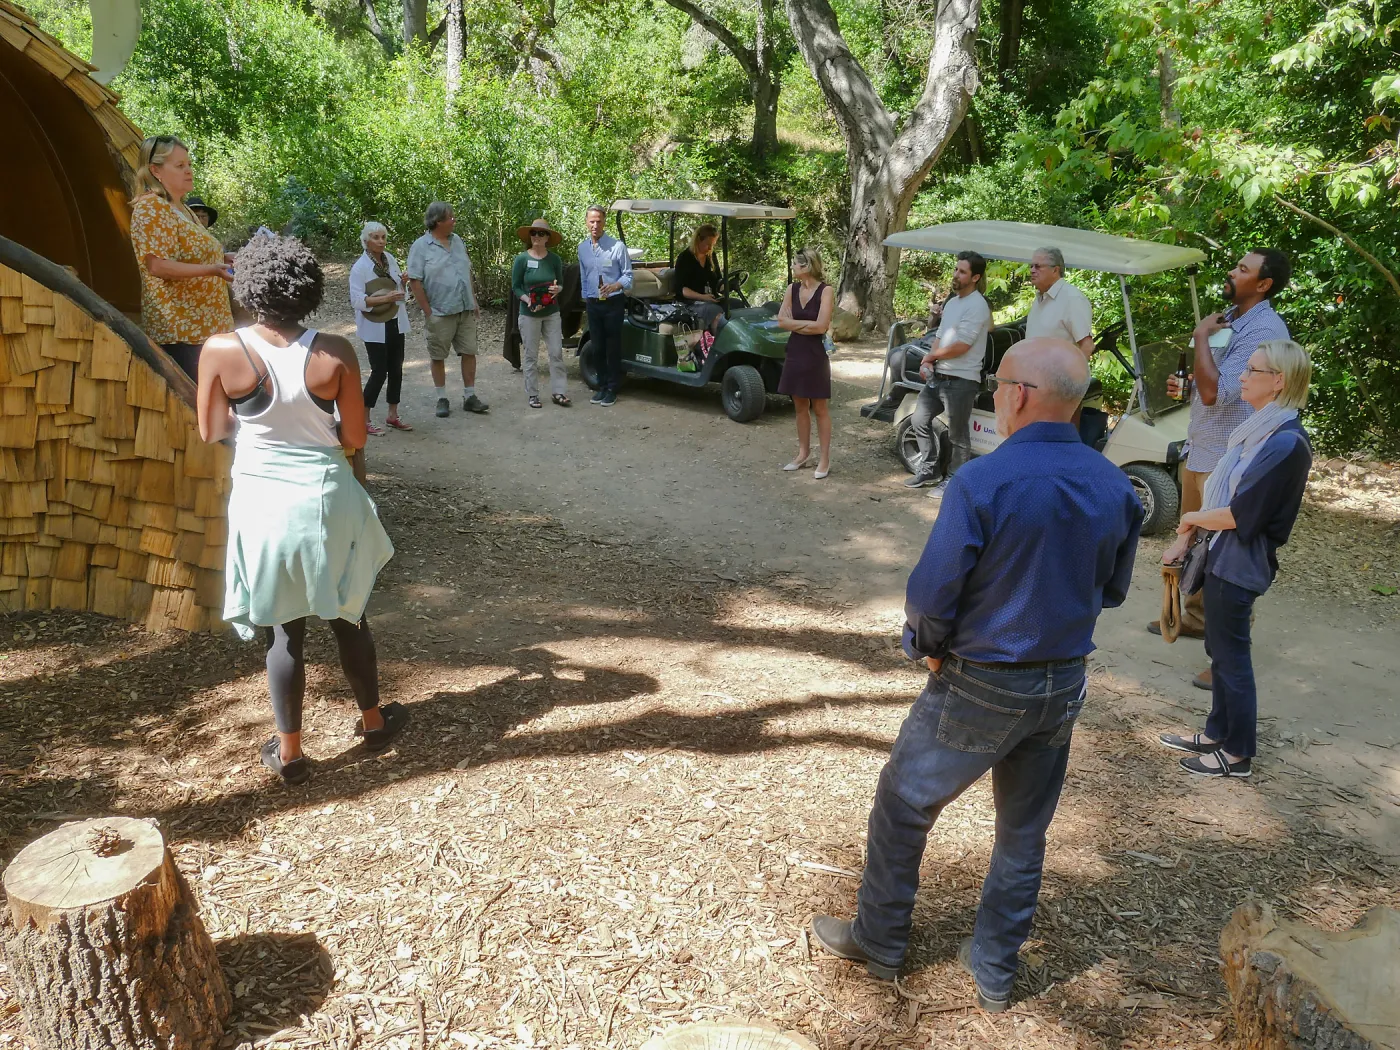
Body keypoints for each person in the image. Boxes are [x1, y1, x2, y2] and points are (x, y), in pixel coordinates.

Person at [810, 338, 1143, 1011]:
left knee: (905, 804)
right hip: (1063, 683)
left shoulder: (984, 481)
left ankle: (879, 941)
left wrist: (925, 645)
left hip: (982, 679)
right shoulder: (1116, 485)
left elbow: (932, 594)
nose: (993, 392)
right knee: (1023, 833)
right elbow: (1112, 590)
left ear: (1019, 394)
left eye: (998, 382)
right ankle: (994, 970)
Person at [196, 235, 406, 786]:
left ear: (249, 288)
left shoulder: (220, 351)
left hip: (263, 499)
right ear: (309, 289)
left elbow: (212, 430)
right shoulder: (334, 352)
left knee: (283, 633)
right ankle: (375, 720)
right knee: (348, 613)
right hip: (325, 497)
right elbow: (355, 437)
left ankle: (290, 754)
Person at [1157, 340, 1312, 778]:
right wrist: (1189, 536)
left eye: (1252, 370)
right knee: (1220, 650)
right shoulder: (1262, 431)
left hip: (1239, 562)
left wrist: (1188, 520)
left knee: (1231, 656)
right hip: (1225, 556)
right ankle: (1217, 732)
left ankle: (1239, 753)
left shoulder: (1285, 443)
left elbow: (1241, 514)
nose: (1241, 377)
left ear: (1278, 380)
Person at [1149, 250, 1292, 684]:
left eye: (1244, 269)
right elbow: (1211, 383)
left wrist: (1198, 339)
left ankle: (1226, 658)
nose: (1233, 272)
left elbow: (1218, 394)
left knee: (1227, 558)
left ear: (1264, 285)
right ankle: (1195, 619)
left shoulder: (1265, 331)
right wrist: (1186, 383)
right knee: (1198, 547)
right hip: (1204, 448)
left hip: (1233, 460)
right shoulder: (1231, 319)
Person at [128, 135, 235, 381]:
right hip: (182, 334)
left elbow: (192, 254)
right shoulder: (151, 208)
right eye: (179, 166)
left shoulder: (182, 208)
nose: (188, 171)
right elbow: (157, 265)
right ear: (155, 170)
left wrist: (223, 257)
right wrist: (211, 270)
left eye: (188, 164)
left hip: (208, 329)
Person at [902, 251, 991, 498]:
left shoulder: (977, 305)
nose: (955, 274)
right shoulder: (952, 303)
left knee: (957, 434)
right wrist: (927, 361)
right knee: (919, 419)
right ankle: (929, 469)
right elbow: (940, 337)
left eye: (962, 271)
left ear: (975, 277)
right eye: (955, 269)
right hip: (939, 376)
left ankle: (954, 480)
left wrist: (933, 357)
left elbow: (963, 345)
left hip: (962, 380)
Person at [406, 202, 489, 419]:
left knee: (470, 351)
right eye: (450, 217)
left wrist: (474, 301)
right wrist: (427, 311)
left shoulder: (458, 241)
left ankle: (469, 396)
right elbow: (415, 281)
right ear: (437, 222)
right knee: (438, 355)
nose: (454, 220)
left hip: (464, 308)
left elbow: (466, 272)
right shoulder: (421, 246)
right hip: (439, 311)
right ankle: (441, 398)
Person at [776, 247, 835, 479]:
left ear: (806, 266)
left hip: (815, 354)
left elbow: (821, 326)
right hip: (795, 351)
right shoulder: (792, 289)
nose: (792, 267)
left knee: (819, 407)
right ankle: (803, 453)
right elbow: (781, 321)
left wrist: (795, 323)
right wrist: (802, 325)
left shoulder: (826, 291)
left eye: (795, 264)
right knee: (799, 405)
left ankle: (824, 458)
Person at [350, 221, 412, 435]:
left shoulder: (390, 260)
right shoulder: (359, 268)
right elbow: (357, 301)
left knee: (396, 368)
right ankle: (364, 418)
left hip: (394, 319)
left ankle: (392, 415)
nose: (381, 241)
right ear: (366, 241)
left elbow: (398, 291)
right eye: (376, 237)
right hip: (374, 324)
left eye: (383, 237)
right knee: (379, 371)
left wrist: (403, 283)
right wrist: (386, 297)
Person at [577, 204, 633, 407]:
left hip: (613, 303)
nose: (595, 225)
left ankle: (612, 389)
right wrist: (585, 298)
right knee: (597, 346)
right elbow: (584, 276)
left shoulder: (617, 247)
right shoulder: (582, 248)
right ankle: (601, 386)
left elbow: (628, 276)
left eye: (598, 221)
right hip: (593, 303)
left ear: (604, 222)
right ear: (586, 222)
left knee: (612, 346)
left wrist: (616, 285)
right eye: (591, 221)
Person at [511, 218, 570, 408]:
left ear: (547, 237)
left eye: (541, 233)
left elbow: (560, 283)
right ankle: (533, 394)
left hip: (551, 312)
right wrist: (528, 300)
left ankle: (559, 392)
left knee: (556, 352)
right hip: (529, 314)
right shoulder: (521, 259)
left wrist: (557, 290)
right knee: (530, 355)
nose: (537, 236)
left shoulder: (554, 259)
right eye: (534, 233)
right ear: (530, 236)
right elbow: (516, 287)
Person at [1025, 247, 1094, 359]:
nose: (1032, 270)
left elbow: (1087, 346)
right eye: (1031, 266)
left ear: (1055, 270)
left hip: (1060, 375)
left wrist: (1072, 376)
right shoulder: (1039, 299)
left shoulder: (1072, 298)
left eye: (1038, 266)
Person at [674, 224, 732, 333]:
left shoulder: (711, 256)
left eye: (713, 245)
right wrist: (702, 297)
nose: (710, 248)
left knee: (735, 305)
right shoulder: (685, 258)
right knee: (715, 311)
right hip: (690, 303)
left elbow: (718, 280)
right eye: (707, 244)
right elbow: (682, 289)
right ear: (698, 241)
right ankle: (719, 344)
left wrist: (727, 287)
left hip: (710, 298)